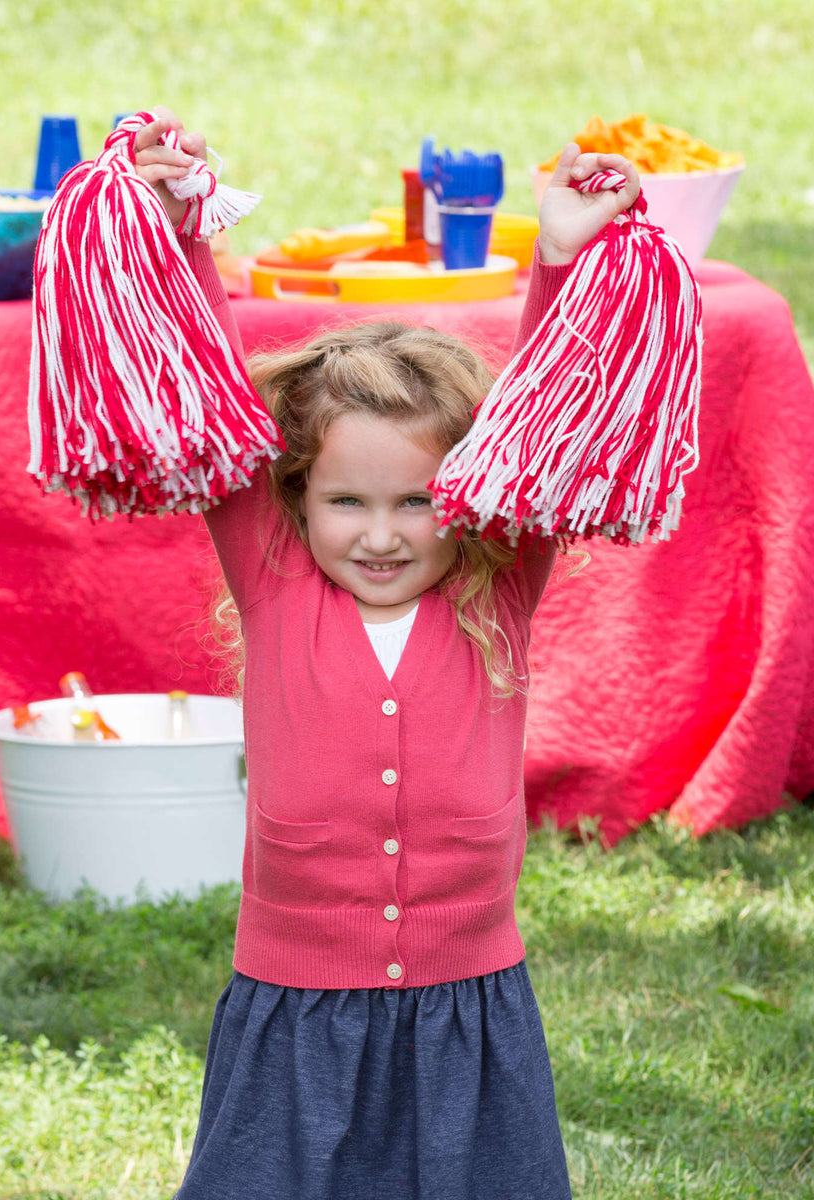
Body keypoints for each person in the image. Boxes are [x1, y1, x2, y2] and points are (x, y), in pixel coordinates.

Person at [117, 107, 643, 1200]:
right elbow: (208, 386)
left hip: (467, 1005)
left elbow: (552, 413)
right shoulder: (274, 581)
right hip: (295, 1006)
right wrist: (183, 229)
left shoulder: (497, 580)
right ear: (295, 497)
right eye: (347, 502)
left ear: (468, 494)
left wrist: (560, 254)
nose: (383, 534)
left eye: (416, 501)